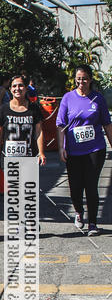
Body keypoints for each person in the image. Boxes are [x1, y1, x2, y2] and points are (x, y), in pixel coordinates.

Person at [56, 64, 112, 236]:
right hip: (73, 151)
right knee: (75, 188)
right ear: (75, 80)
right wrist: (61, 148)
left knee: (91, 185)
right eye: (79, 79)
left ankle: (93, 223)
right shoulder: (67, 98)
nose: (82, 82)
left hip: (95, 149)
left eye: (85, 79)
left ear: (90, 79)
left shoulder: (98, 98)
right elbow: (60, 125)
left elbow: (107, 125)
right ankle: (79, 211)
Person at [0, 75, 46, 172]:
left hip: (29, 157)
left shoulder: (34, 108)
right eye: (14, 86)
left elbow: (39, 132)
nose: (17, 89)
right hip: (9, 160)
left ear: (26, 88)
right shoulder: (3, 109)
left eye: (20, 85)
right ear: (10, 89)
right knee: (12, 187)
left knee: (28, 186)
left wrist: (41, 152)